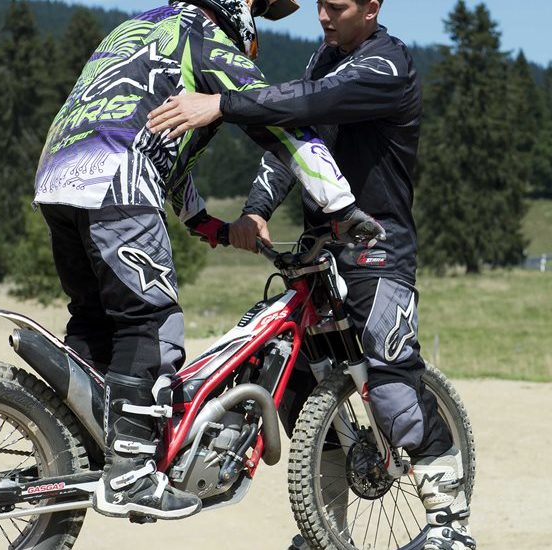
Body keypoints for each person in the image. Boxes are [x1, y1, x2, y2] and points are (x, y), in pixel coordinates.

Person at [33, 0, 384, 521]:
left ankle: (67, 443)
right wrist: (341, 205)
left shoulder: (135, 29)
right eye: (258, 8)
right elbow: (277, 119)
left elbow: (160, 138)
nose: (257, 19)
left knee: (96, 321)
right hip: (117, 181)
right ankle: (130, 473)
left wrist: (209, 226)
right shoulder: (200, 33)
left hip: (58, 180)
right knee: (150, 320)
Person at [145, 1, 475, 547]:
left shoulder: (387, 64)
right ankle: (329, 530)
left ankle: (449, 524)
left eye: (338, 7)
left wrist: (222, 104)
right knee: (301, 391)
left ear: (371, 9)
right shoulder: (323, 58)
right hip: (318, 252)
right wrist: (255, 210)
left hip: (377, 249)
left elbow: (310, 100)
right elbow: (288, 139)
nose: (323, 16)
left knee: (391, 384)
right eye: (319, 4)